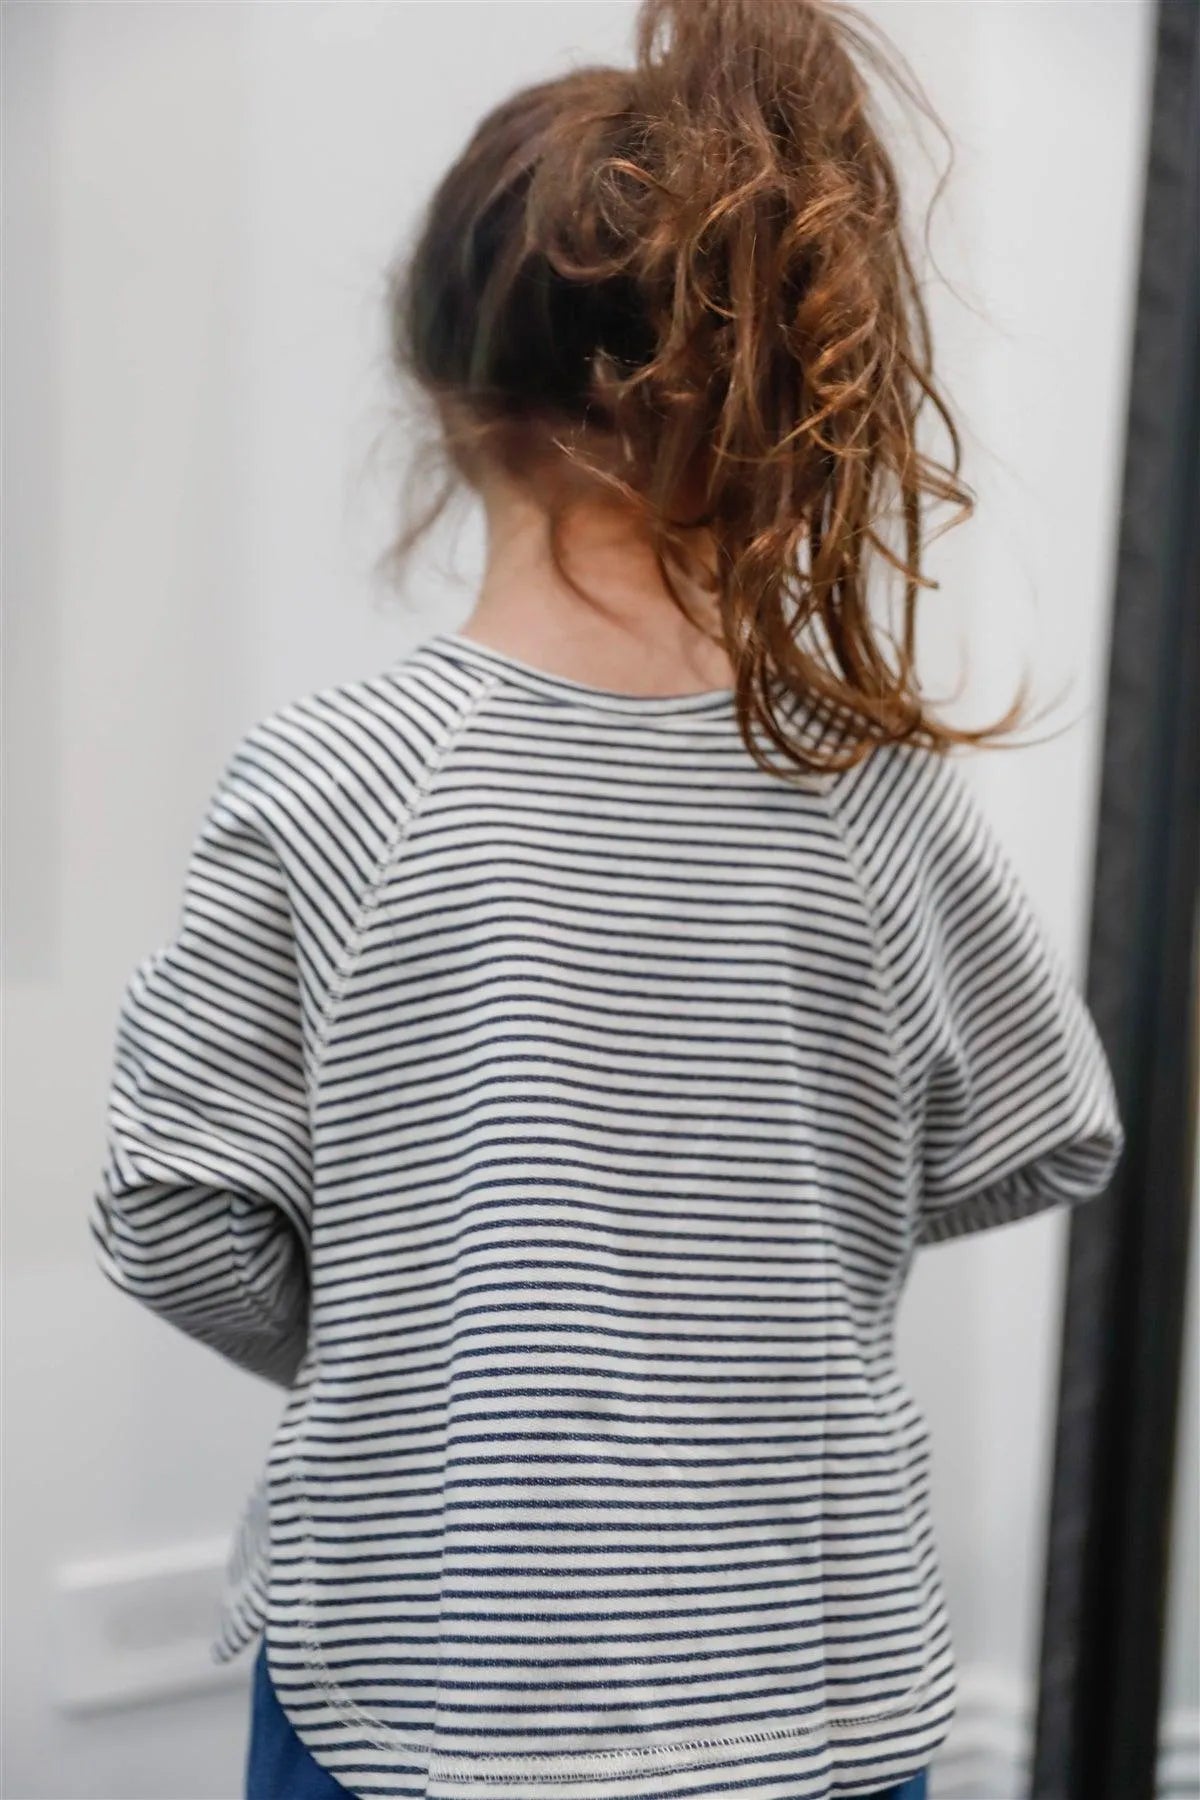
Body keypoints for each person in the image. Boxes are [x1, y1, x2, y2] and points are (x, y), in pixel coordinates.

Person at [89, 1, 1124, 1796]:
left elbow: (173, 1212)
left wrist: (441, 1334)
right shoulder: (867, 788)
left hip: (426, 1685)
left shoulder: (330, 784)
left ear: (441, 381)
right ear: (766, 387)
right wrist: (753, 1268)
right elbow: (1043, 1133)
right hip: (810, 1695)